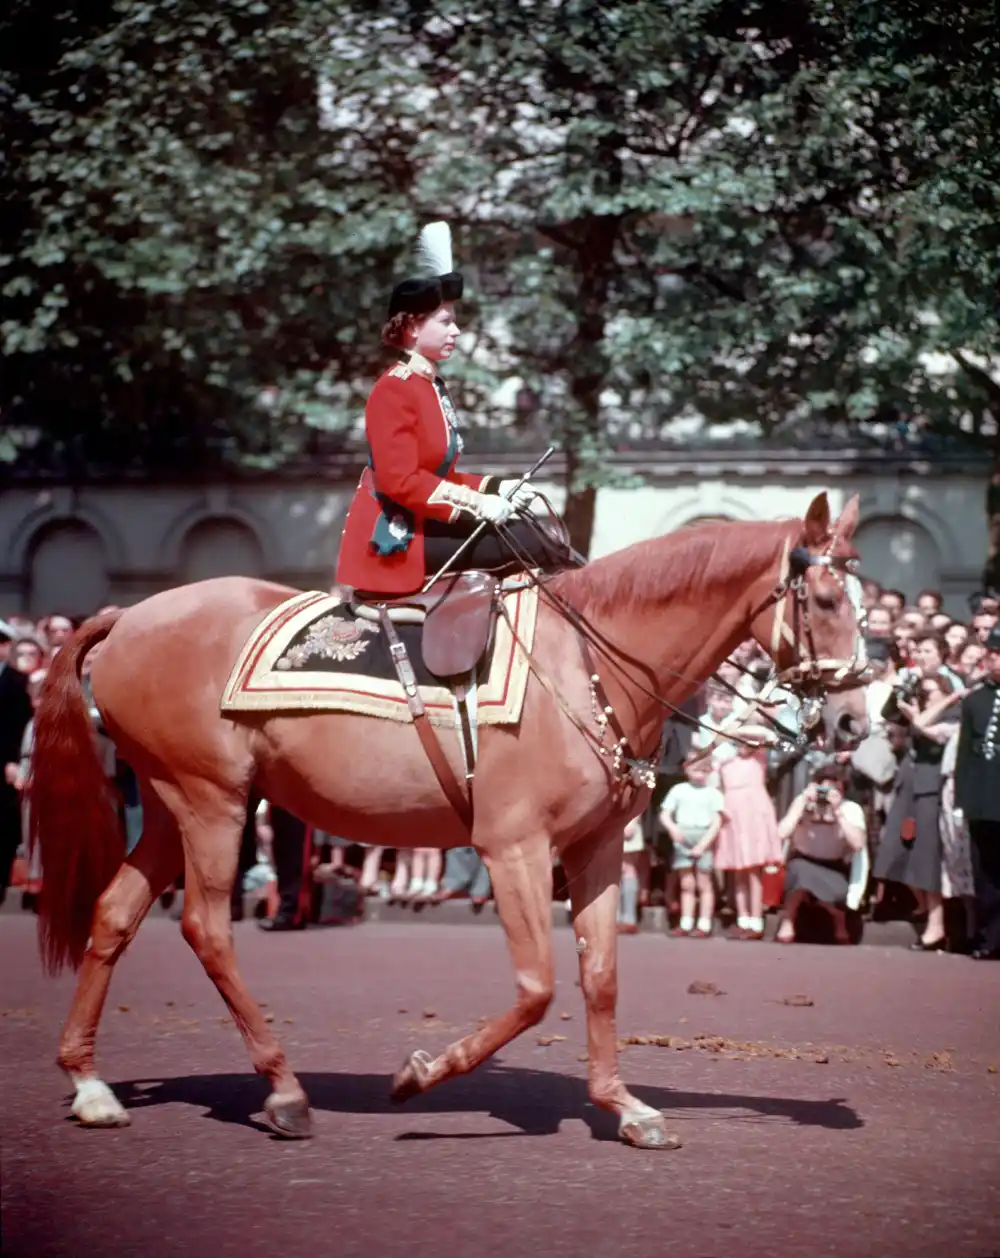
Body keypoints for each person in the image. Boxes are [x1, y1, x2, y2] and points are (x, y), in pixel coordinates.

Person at [335, 221, 571, 596]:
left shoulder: (431, 386)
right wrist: (477, 503)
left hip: (427, 521)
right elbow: (402, 482)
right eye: (446, 321)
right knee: (533, 541)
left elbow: (439, 475)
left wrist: (498, 487)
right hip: (399, 536)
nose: (456, 331)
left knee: (543, 532)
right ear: (413, 327)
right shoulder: (393, 391)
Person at [873, 671, 960, 950]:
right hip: (908, 788)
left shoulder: (952, 712)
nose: (925, 697)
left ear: (945, 692)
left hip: (931, 790)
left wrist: (918, 716)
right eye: (923, 692)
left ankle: (936, 925)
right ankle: (923, 906)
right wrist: (901, 691)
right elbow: (888, 713)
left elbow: (937, 739)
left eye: (931, 692)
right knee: (896, 848)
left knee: (926, 856)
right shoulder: (915, 710)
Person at [774, 765, 867, 944]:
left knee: (836, 891)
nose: (826, 795)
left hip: (833, 867)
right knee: (800, 871)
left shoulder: (851, 809)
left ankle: (839, 922)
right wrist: (801, 805)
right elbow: (781, 833)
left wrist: (838, 813)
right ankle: (788, 921)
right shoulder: (803, 803)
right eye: (823, 789)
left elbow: (858, 844)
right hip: (802, 862)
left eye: (834, 790)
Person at [954, 624, 1000, 959]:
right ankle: (989, 938)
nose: (994, 660)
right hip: (983, 800)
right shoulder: (975, 700)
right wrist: (961, 801)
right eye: (993, 654)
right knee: (985, 872)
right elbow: (964, 757)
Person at [659, 752, 726, 938]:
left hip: (704, 836)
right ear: (686, 768)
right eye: (695, 768)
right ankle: (686, 922)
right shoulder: (678, 790)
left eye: (704, 769)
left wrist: (704, 844)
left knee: (704, 882)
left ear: (711, 771)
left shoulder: (713, 793)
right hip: (683, 835)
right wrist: (673, 829)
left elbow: (717, 821)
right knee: (686, 882)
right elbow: (665, 814)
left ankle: (704, 923)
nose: (700, 773)